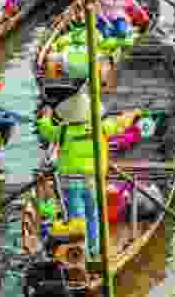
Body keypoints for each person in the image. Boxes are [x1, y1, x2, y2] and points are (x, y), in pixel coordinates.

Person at [36, 83, 124, 260]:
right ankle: (94, 250)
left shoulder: (64, 131)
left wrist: (45, 117)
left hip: (70, 182)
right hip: (93, 180)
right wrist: (131, 116)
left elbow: (46, 131)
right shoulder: (100, 127)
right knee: (93, 215)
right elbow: (117, 126)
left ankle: (81, 253)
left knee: (77, 218)